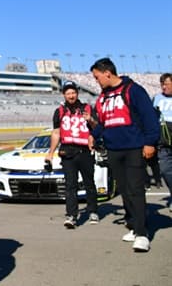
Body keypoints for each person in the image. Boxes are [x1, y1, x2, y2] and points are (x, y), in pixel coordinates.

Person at [87, 58, 160, 252]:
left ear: (107, 73)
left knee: (136, 189)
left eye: (97, 77)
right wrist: (93, 136)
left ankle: (143, 234)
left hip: (134, 148)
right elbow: (102, 122)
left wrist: (150, 142)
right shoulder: (102, 97)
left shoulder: (133, 90)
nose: (96, 81)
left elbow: (149, 118)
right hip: (114, 150)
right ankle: (133, 225)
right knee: (125, 190)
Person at [45, 80, 98, 229]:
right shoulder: (60, 111)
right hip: (67, 152)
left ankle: (93, 210)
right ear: (64, 95)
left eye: (73, 92)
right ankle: (71, 216)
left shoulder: (87, 108)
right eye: (68, 93)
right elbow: (56, 133)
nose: (71, 95)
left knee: (89, 183)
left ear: (77, 93)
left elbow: (96, 127)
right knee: (70, 186)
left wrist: (91, 120)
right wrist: (50, 153)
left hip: (85, 151)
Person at [152, 72, 172, 210]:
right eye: (162, 84)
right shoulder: (157, 98)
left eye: (166, 84)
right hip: (163, 141)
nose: (163, 87)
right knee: (165, 170)